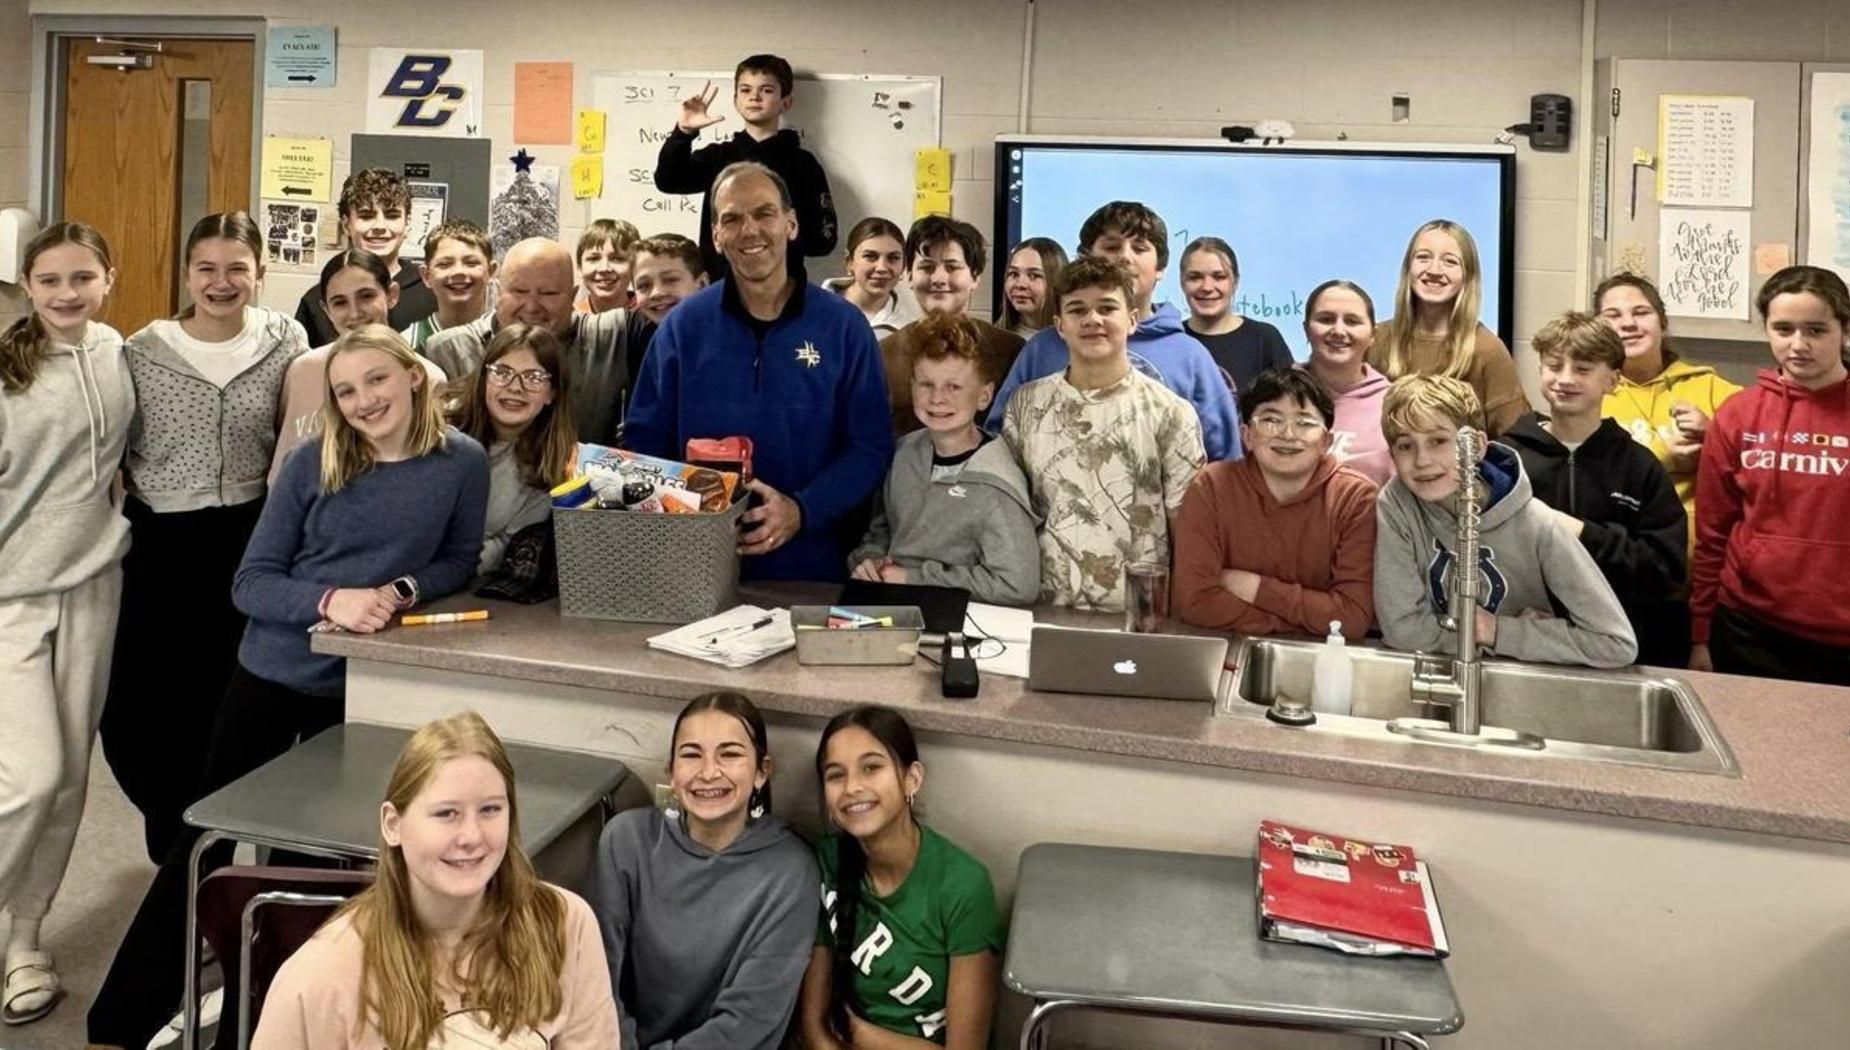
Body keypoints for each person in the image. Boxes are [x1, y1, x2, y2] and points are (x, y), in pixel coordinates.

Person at [88, 325, 488, 1050]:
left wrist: (399, 590)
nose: (364, 401)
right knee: (206, 838)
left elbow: (456, 559)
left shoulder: (461, 462)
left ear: (413, 377)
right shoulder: (315, 460)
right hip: (274, 672)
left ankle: (281, 1013)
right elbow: (251, 583)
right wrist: (333, 599)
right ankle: (118, 1022)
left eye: (376, 380)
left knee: (323, 857)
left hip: (361, 687)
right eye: (346, 391)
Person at [101, 212, 310, 863]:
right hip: (161, 543)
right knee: (142, 705)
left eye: (236, 269)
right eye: (207, 269)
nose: (222, 283)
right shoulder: (141, 351)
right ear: (187, 273)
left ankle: (210, 853)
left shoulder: (286, 341)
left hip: (248, 540)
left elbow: (296, 436)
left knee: (229, 704)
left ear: (260, 273)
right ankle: (171, 839)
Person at [253, 711, 620, 1049]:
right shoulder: (320, 975)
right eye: (447, 813)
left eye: (490, 809)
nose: (471, 836)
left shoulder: (564, 924)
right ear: (393, 825)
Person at [626, 162, 894, 582]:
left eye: (764, 213)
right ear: (716, 236)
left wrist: (802, 509)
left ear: (791, 224)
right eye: (732, 218)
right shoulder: (683, 327)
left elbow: (871, 446)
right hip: (695, 568)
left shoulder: (844, 327)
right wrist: (684, 511)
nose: (749, 230)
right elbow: (644, 441)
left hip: (812, 570)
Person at [0, 223, 128, 1026]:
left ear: (109, 278)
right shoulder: (5, 367)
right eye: (49, 280)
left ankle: (25, 938)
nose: (66, 293)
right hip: (9, 598)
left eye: (82, 277)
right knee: (29, 777)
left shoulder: (119, 354)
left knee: (71, 778)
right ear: (28, 285)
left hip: (94, 588)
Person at [589, 692, 818, 1050]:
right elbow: (595, 975)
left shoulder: (791, 871)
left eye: (730, 754)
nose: (709, 772)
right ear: (672, 772)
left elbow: (751, 1021)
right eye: (692, 755)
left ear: (762, 771)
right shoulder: (626, 840)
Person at [1372, 375, 1637, 669]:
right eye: (1405, 446)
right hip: (1437, 675)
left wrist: (1497, 631)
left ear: (1478, 446)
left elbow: (1615, 643)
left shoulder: (1538, 525)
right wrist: (1478, 636)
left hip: (1520, 683)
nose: (1422, 460)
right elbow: (1402, 630)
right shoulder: (1397, 505)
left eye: (1438, 441)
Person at [1002, 256, 1205, 611]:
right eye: (1077, 309)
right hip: (1041, 607)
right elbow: (1009, 514)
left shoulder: (1171, 413)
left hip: (1138, 613)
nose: (1092, 319)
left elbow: (1186, 529)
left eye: (1107, 308)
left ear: (1132, 320)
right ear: (1059, 325)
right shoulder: (1026, 405)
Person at [797, 706, 1002, 1050]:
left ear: (912, 778)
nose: (852, 787)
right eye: (835, 775)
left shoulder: (963, 886)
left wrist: (860, 1034)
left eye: (871, 767)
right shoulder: (826, 862)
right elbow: (814, 1025)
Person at [1690, 265, 1850, 685]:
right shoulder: (1738, 415)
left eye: (1816, 330)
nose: (1798, 344)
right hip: (1749, 629)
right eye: (1783, 329)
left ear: (1844, 331)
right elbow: (1712, 534)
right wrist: (1700, 633)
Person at [990, 201, 1241, 462]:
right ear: (1086, 260)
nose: (1125, 257)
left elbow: (1225, 462)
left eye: (1140, 248)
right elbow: (999, 441)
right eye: (1111, 247)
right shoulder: (1042, 349)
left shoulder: (1190, 358)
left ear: (1160, 268)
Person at [1505, 313, 1689, 668]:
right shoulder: (1508, 459)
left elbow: (1665, 572)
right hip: (1524, 643)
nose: (1565, 379)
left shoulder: (1640, 467)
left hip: (1618, 648)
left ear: (1613, 380)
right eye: (1554, 366)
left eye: (1583, 369)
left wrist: (1583, 534)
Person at [850, 314, 1041, 606]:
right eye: (926, 384)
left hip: (960, 616)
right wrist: (870, 559)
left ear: (984, 396)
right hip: (888, 604)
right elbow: (882, 530)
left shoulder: (997, 486)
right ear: (912, 386)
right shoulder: (902, 453)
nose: (937, 398)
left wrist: (914, 577)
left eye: (954, 387)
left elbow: (1018, 585)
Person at [1172, 369, 1377, 637]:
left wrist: (1257, 588)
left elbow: (1352, 617)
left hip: (1324, 654)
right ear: (1247, 435)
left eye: (1304, 423)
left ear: (1326, 441)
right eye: (1271, 420)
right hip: (1230, 646)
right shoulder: (1212, 486)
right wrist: (1304, 621)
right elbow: (1193, 603)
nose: (1288, 434)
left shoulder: (1355, 497)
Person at [424, 237, 648, 446]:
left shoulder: (613, 335)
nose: (531, 307)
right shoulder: (449, 350)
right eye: (519, 291)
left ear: (573, 296)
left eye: (548, 293)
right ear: (498, 291)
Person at [1593, 272, 1740, 563]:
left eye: (1641, 312)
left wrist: (1715, 435)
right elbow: (1588, 484)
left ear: (1662, 322)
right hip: (1624, 562)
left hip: (1707, 563)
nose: (1628, 323)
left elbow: (1763, 462)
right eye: (1613, 315)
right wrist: (1664, 457)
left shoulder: (1712, 388)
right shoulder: (1590, 396)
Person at [654, 54, 837, 278]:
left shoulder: (802, 163)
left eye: (766, 90)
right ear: (735, 101)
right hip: (721, 285)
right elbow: (668, 180)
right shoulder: (718, 157)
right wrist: (683, 132)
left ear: (785, 102)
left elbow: (823, 241)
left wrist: (775, 230)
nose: (755, 97)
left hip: (781, 287)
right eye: (746, 90)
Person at [273, 249, 448, 480]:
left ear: (391, 295)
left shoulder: (428, 377)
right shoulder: (303, 370)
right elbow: (282, 468)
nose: (355, 313)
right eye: (340, 303)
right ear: (326, 310)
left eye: (366, 296)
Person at [1370, 219, 1525, 436]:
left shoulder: (1487, 350)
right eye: (1423, 257)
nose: (1434, 270)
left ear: (1468, 276)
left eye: (1450, 262)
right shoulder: (1376, 339)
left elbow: (1516, 439)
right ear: (1408, 269)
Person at [449, 323, 579, 575]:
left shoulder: (553, 462)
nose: (515, 387)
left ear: (551, 393)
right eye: (502, 372)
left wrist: (441, 574)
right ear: (484, 379)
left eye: (533, 377)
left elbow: (504, 546)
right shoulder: (440, 431)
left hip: (465, 579)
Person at [878, 216, 1024, 434]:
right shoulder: (883, 354)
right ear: (909, 275)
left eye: (952, 267)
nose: (938, 278)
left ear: (975, 277)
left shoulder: (1009, 351)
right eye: (927, 267)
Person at [294, 168, 438, 345]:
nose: (379, 226)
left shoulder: (432, 292)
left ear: (407, 224)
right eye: (366, 216)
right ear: (346, 225)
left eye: (392, 215)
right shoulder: (316, 301)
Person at [1298, 279, 1392, 486]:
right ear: (1306, 329)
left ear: (1373, 335)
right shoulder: (1274, 395)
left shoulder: (1393, 406)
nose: (1339, 331)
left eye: (1352, 321)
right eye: (1326, 319)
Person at [1179, 236, 1292, 395]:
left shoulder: (1264, 340)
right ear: (1182, 282)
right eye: (1195, 277)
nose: (1207, 287)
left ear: (1235, 282)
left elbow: (1290, 402)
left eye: (1219, 277)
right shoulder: (1172, 340)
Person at [402, 220, 495, 352]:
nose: (459, 271)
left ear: (491, 271)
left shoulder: (508, 336)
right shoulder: (406, 345)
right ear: (426, 276)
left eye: (471, 263)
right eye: (444, 264)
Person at [822, 218, 919, 337]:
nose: (882, 268)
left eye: (893, 258)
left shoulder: (910, 332)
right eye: (870, 256)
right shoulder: (812, 308)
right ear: (849, 261)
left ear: (904, 265)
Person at [995, 237, 1067, 339]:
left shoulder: (1076, 341)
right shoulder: (991, 341)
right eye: (1014, 274)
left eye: (1034, 275)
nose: (1020, 284)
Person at [577, 217, 642, 314]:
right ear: (579, 267)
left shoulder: (653, 316)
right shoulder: (569, 319)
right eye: (594, 259)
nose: (604, 268)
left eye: (617, 259)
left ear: (635, 267)